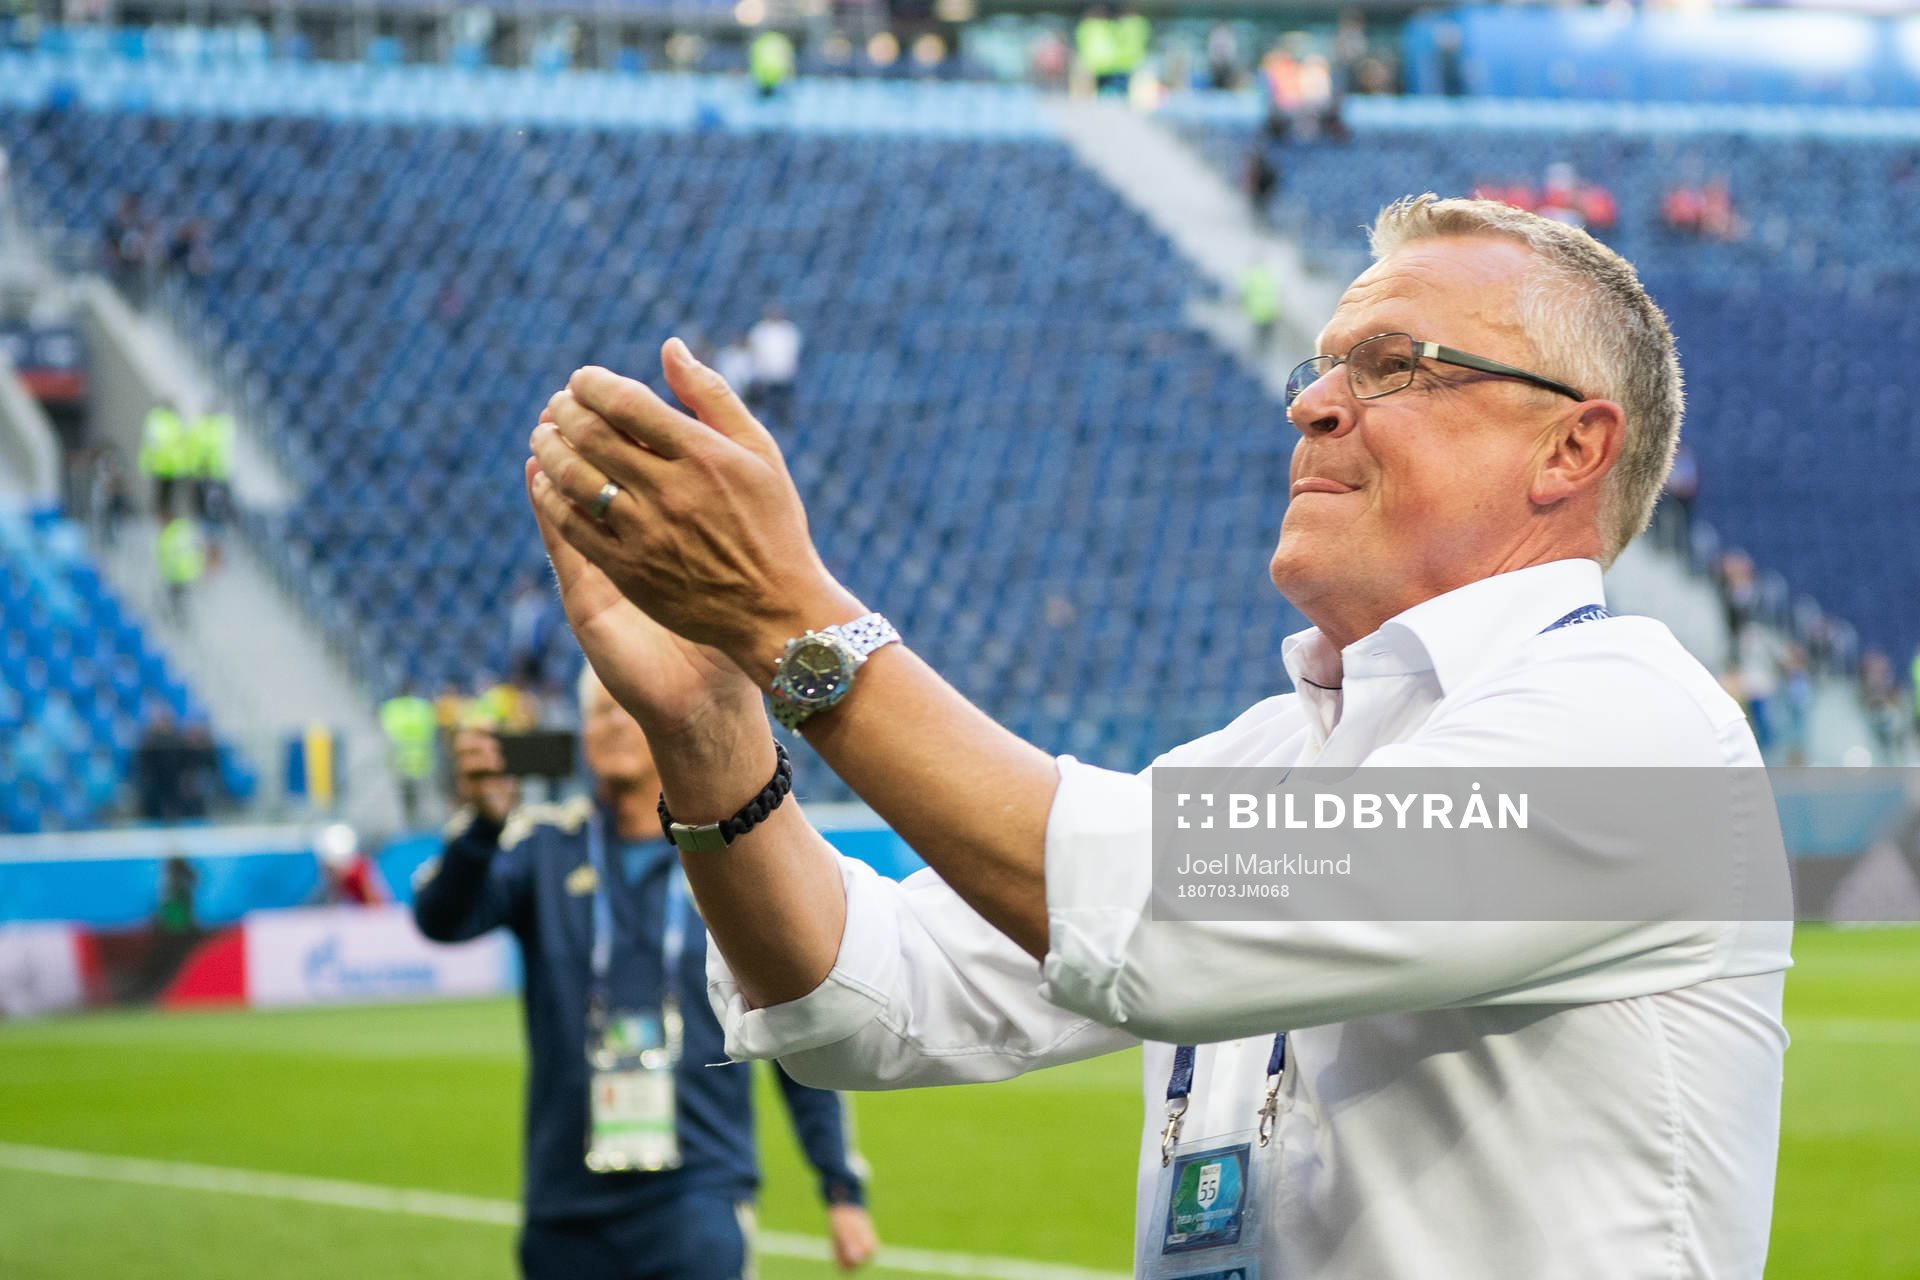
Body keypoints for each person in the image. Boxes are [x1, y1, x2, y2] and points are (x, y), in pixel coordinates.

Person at [524, 193, 1793, 1277]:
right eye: (1322, 366)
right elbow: (858, 997)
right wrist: (709, 727)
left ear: (1574, 444)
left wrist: (792, 617)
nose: (1314, 406)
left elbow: (1151, 918)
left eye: (1397, 363)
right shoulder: (1263, 755)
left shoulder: (1643, 742)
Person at [414, 667, 877, 1280]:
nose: (610, 722)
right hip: (565, 1201)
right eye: (596, 711)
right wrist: (482, 827)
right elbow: (442, 920)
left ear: (663, 715)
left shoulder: (734, 853)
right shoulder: (544, 845)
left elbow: (795, 1022)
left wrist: (840, 1188)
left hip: (697, 1193)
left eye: (625, 703)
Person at [379, 689, 439, 826]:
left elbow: (388, 733)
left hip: (401, 760)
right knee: (422, 798)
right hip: (422, 760)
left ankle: (410, 825)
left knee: (406, 799)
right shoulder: (422, 707)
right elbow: (430, 731)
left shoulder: (391, 708)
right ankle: (423, 825)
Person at [745, 304, 800, 431]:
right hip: (764, 377)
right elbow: (754, 353)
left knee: (783, 408)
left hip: (783, 376)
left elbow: (791, 353)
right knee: (761, 408)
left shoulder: (788, 330)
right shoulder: (759, 330)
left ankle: (784, 427)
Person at [1237, 260, 1279, 352]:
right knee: (1267, 338)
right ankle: (1265, 352)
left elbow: (1244, 293)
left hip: (1257, 312)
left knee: (1258, 338)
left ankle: (1259, 352)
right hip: (1270, 311)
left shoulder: (1251, 276)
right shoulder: (1268, 276)